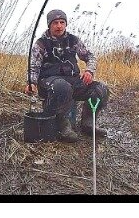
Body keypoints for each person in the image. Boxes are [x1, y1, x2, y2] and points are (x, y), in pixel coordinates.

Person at [26, 8, 109, 143]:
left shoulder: (73, 40)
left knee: (100, 89)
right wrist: (32, 83)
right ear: (49, 25)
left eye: (62, 22)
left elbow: (90, 56)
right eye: (55, 23)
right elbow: (33, 66)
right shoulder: (40, 43)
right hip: (49, 83)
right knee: (62, 87)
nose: (59, 26)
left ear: (65, 24)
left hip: (73, 81)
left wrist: (89, 71)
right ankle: (62, 126)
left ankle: (88, 123)